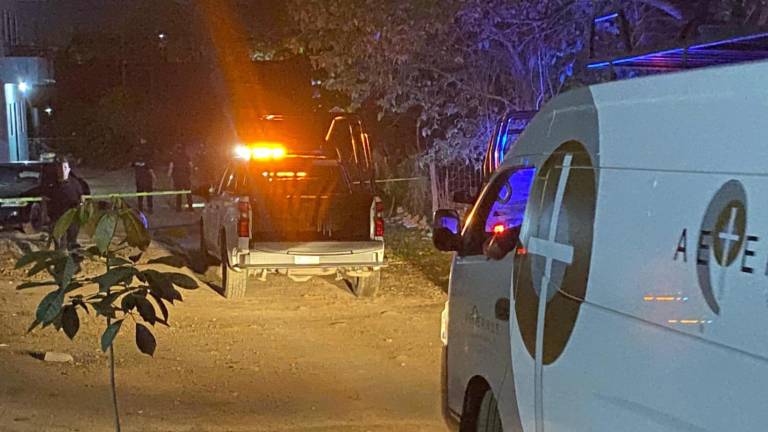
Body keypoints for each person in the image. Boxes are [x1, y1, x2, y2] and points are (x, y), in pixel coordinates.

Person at [43, 158, 84, 251]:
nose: (62, 170)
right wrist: (46, 216)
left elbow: (82, 199)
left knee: (72, 244)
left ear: (68, 169)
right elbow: (45, 201)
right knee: (59, 245)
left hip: (72, 220)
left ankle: (73, 258)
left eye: (65, 167)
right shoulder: (51, 185)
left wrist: (80, 213)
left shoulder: (75, 183)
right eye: (60, 168)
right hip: (57, 219)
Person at [132, 141, 157, 213]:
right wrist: (155, 178)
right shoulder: (147, 160)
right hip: (147, 180)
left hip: (139, 180)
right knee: (149, 194)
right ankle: (150, 208)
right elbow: (150, 169)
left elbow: (132, 165)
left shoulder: (135, 161)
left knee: (140, 194)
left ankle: (140, 208)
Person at [167, 144, 193, 212]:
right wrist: (190, 174)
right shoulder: (187, 156)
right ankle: (190, 207)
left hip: (177, 178)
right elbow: (191, 165)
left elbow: (171, 167)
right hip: (186, 177)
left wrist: (169, 176)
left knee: (179, 193)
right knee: (188, 193)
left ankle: (178, 208)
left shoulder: (173, 157)